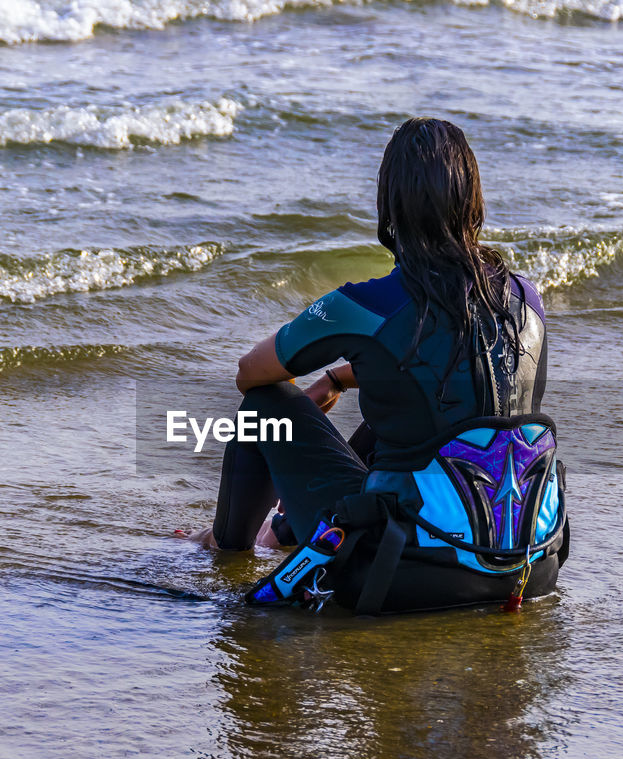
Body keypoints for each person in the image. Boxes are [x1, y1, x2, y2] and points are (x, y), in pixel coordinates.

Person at [196, 117, 561, 611]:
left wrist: (330, 373)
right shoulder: (527, 300)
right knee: (404, 420)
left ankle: (229, 545)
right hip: (528, 566)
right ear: (473, 200)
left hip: (402, 571)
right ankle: (284, 529)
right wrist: (347, 375)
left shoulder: (367, 305)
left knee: (266, 407)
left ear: (390, 206)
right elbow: (465, 399)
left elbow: (251, 373)